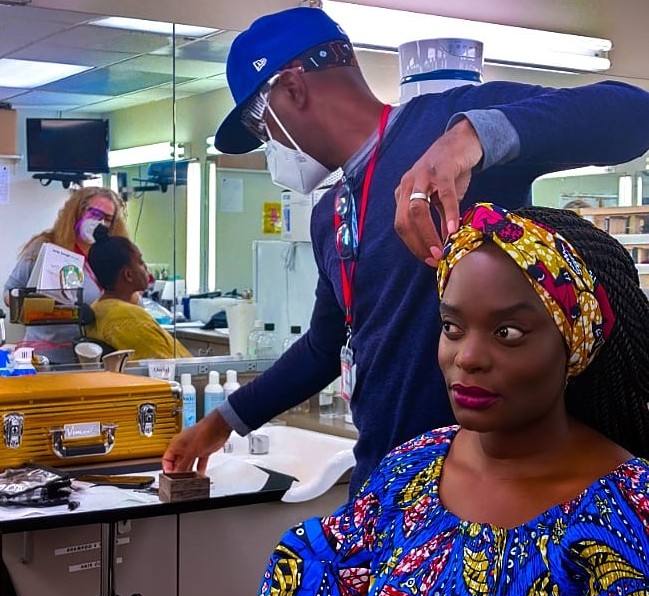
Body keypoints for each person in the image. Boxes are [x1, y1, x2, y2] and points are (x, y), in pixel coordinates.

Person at [162, 6, 649, 496]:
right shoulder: (329, 212)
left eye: (261, 127)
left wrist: (472, 137)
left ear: (292, 88)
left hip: (484, 490)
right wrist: (223, 422)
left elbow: (632, 115)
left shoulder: (441, 126)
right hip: (385, 485)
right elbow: (324, 348)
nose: (267, 145)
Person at [256, 203, 649, 596]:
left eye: (508, 333)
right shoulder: (410, 473)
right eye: (452, 327)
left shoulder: (627, 514)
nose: (467, 357)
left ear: (574, 344)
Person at [3, 186, 128, 364]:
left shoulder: (111, 255)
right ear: (77, 211)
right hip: (47, 359)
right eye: (94, 214)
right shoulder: (45, 246)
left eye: (108, 219)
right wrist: (34, 305)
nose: (101, 223)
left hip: (97, 357)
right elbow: (9, 293)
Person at [85, 224, 192, 361]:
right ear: (128, 275)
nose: (146, 267)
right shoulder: (128, 317)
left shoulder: (99, 307)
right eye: (140, 262)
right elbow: (167, 365)